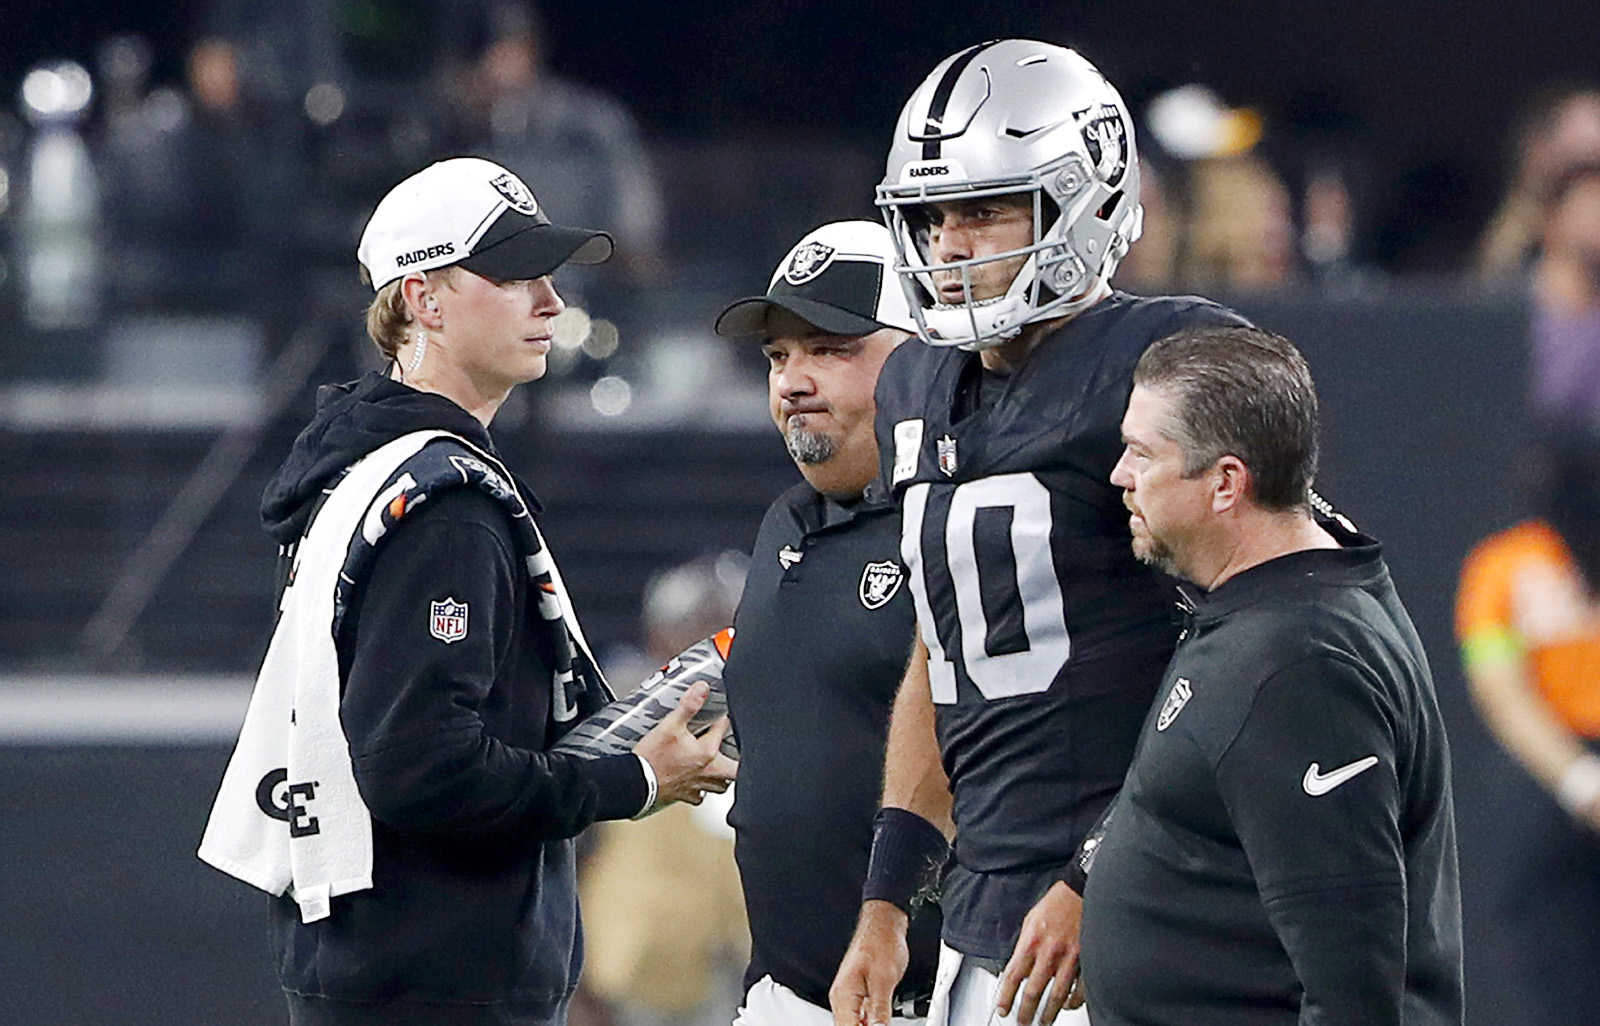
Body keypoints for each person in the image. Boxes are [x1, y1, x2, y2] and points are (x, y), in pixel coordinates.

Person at [199, 156, 736, 1026]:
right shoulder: (441, 508)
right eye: (517, 276)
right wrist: (628, 779)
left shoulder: (365, 469)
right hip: (437, 978)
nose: (552, 303)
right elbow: (421, 769)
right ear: (424, 300)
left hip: (381, 961)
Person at [830, 41, 1250, 1026]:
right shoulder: (913, 386)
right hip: (989, 917)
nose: (949, 245)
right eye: (932, 218)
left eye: (983, 209)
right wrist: (889, 902)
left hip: (1158, 907)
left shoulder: (1170, 360)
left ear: (1084, 198)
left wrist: (1094, 867)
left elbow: (1258, 646)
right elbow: (943, 654)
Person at [1077, 325, 1463, 1025]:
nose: (1119, 476)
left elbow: (1356, 989)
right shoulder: (1273, 591)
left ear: (1226, 483)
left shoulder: (1300, 668)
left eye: (1141, 453)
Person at [708, 221, 939, 1026]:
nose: (793, 380)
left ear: (923, 352)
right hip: (785, 997)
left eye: (830, 348)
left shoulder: (962, 520)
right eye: (778, 357)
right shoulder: (787, 521)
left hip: (935, 999)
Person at [1456, 431, 1600, 1025]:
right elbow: (1500, 688)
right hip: (1550, 786)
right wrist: (1578, 781)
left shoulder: (1501, 562)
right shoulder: (1505, 565)